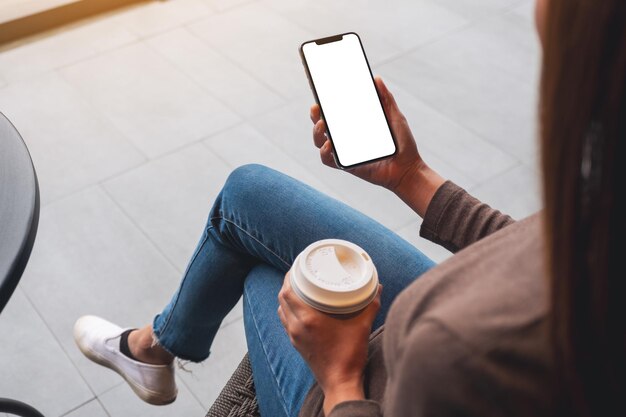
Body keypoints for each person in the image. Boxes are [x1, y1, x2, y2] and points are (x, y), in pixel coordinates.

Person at [73, 0, 626, 415]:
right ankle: (152, 345)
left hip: (371, 389)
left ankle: (154, 347)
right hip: (457, 315)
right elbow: (542, 245)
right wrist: (411, 176)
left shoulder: (461, 359)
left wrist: (339, 377)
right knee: (248, 194)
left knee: (274, 276)